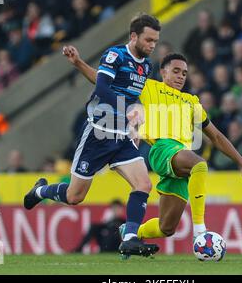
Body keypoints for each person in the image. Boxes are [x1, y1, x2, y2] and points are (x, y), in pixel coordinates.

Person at [63, 46, 242, 245]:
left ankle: (132, 232)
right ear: (163, 72)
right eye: (175, 71)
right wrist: (79, 63)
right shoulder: (149, 87)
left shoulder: (191, 102)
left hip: (180, 159)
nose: (181, 76)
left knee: (166, 228)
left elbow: (217, 136)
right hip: (162, 149)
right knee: (200, 165)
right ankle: (200, 232)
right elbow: (105, 81)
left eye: (184, 73)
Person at [24, 14, 161, 257]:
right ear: (133, 36)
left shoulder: (146, 66)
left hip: (122, 138)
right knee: (74, 196)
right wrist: (125, 110)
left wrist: (136, 118)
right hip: (98, 134)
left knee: (144, 183)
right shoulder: (115, 55)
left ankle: (129, 237)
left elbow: (131, 96)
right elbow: (102, 86)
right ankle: (40, 191)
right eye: (149, 40)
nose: (152, 45)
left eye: (155, 41)